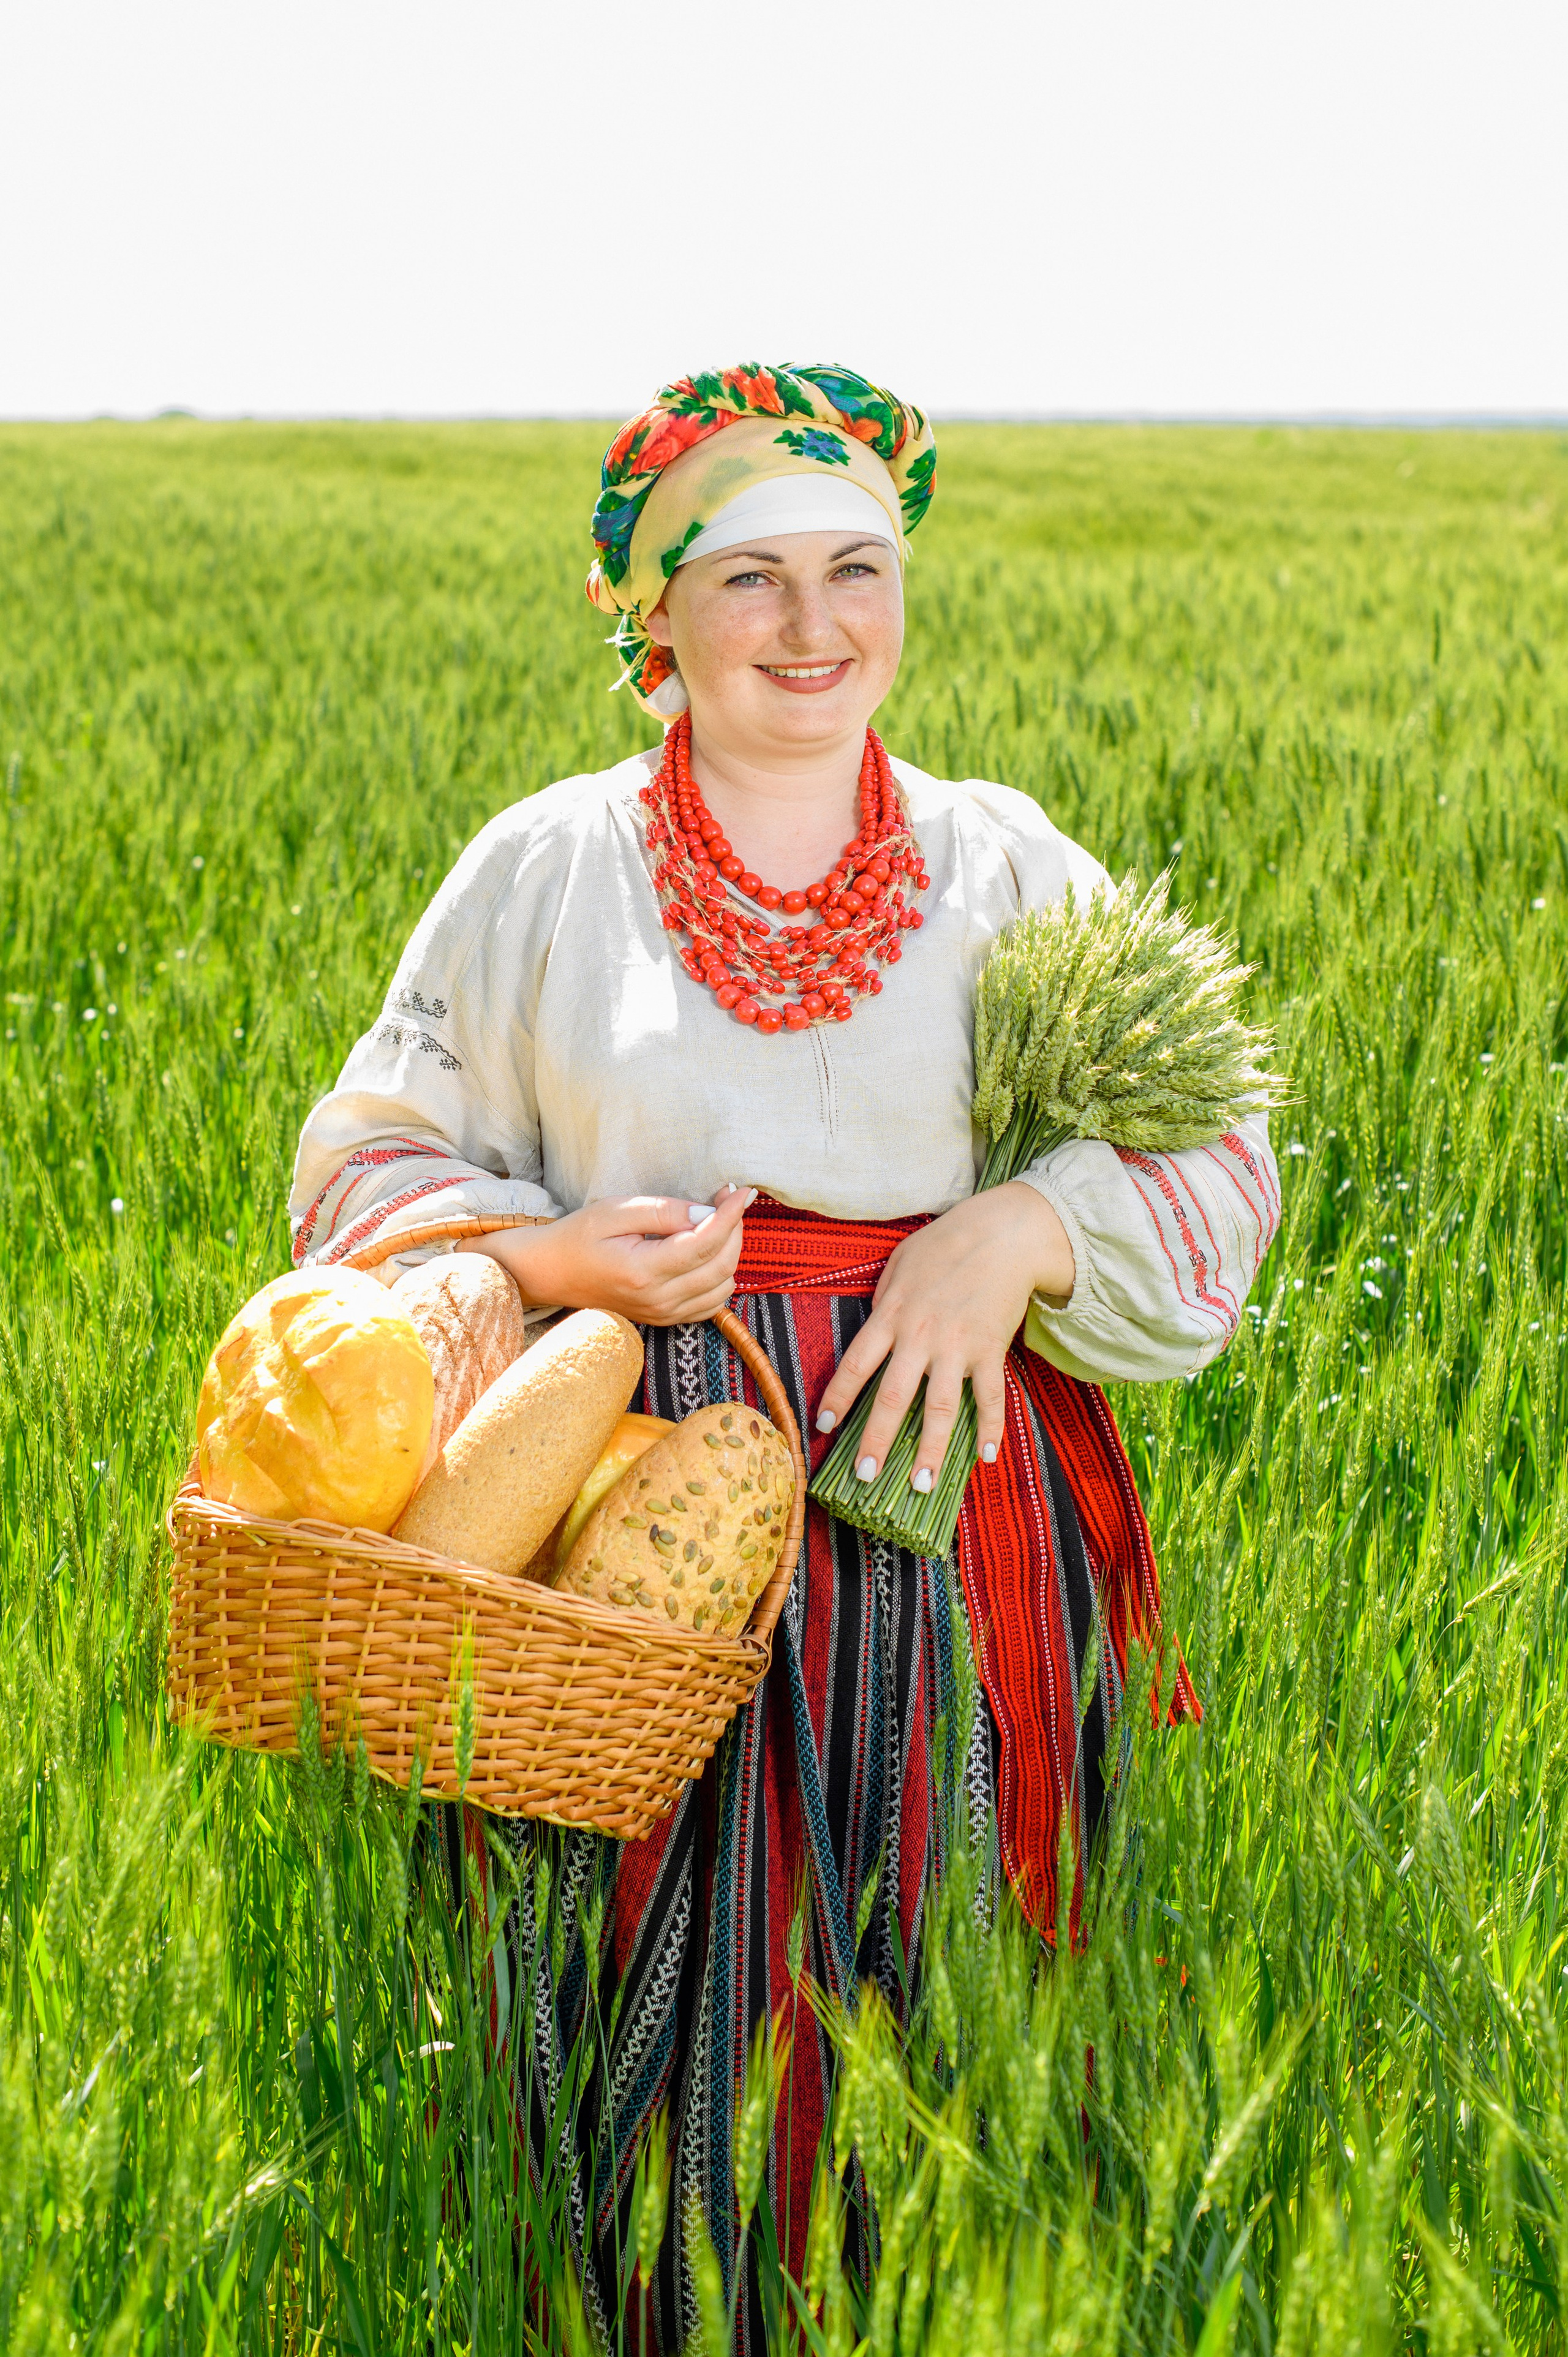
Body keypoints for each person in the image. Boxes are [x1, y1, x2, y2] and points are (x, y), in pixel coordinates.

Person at [289, 361, 1279, 2350]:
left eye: (858, 568)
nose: (815, 629)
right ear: (651, 613)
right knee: (643, 1985)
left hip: (949, 1487)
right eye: (750, 579)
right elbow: (365, 1156)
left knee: (946, 1971)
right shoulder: (547, 868)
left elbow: (1212, 1138)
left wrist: (1023, 1228)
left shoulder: (1006, 862)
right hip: (631, 1516)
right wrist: (554, 1249)